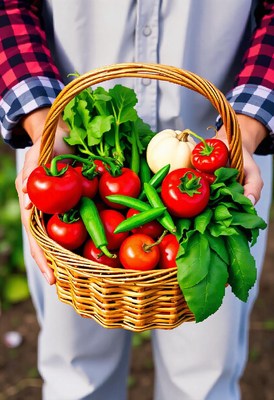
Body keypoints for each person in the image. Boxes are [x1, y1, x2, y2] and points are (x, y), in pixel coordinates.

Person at [0, 1, 273, 399]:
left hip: (219, 164)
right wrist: (44, 124)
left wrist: (243, 129)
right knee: (76, 376)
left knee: (204, 378)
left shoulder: (225, 158)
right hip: (74, 152)